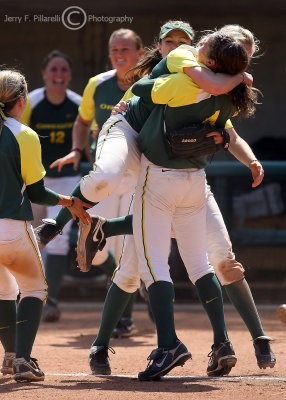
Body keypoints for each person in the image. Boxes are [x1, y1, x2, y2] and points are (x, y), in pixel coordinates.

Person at [34, 26, 269, 378]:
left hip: (171, 176)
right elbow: (149, 88)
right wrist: (239, 80)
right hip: (137, 149)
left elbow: (160, 91)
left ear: (218, 60)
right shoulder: (195, 69)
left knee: (150, 264)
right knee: (137, 242)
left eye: (195, 41)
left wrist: (234, 144)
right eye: (171, 41)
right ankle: (62, 223)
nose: (185, 46)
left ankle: (190, 343)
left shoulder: (208, 87)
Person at [0, 69, 91, 382]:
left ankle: (11, 355)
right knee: (35, 288)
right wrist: (69, 202)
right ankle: (23, 359)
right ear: (22, 101)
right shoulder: (22, 134)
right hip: (11, 227)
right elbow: (37, 192)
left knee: (4, 290)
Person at [20, 50, 87, 322]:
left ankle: (52, 301)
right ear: (45, 73)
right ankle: (29, 295)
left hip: (69, 179)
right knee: (30, 237)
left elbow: (87, 138)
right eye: (54, 70)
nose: (59, 75)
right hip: (35, 178)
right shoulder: (31, 102)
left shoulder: (78, 104)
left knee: (56, 240)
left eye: (63, 70)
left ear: (69, 75)